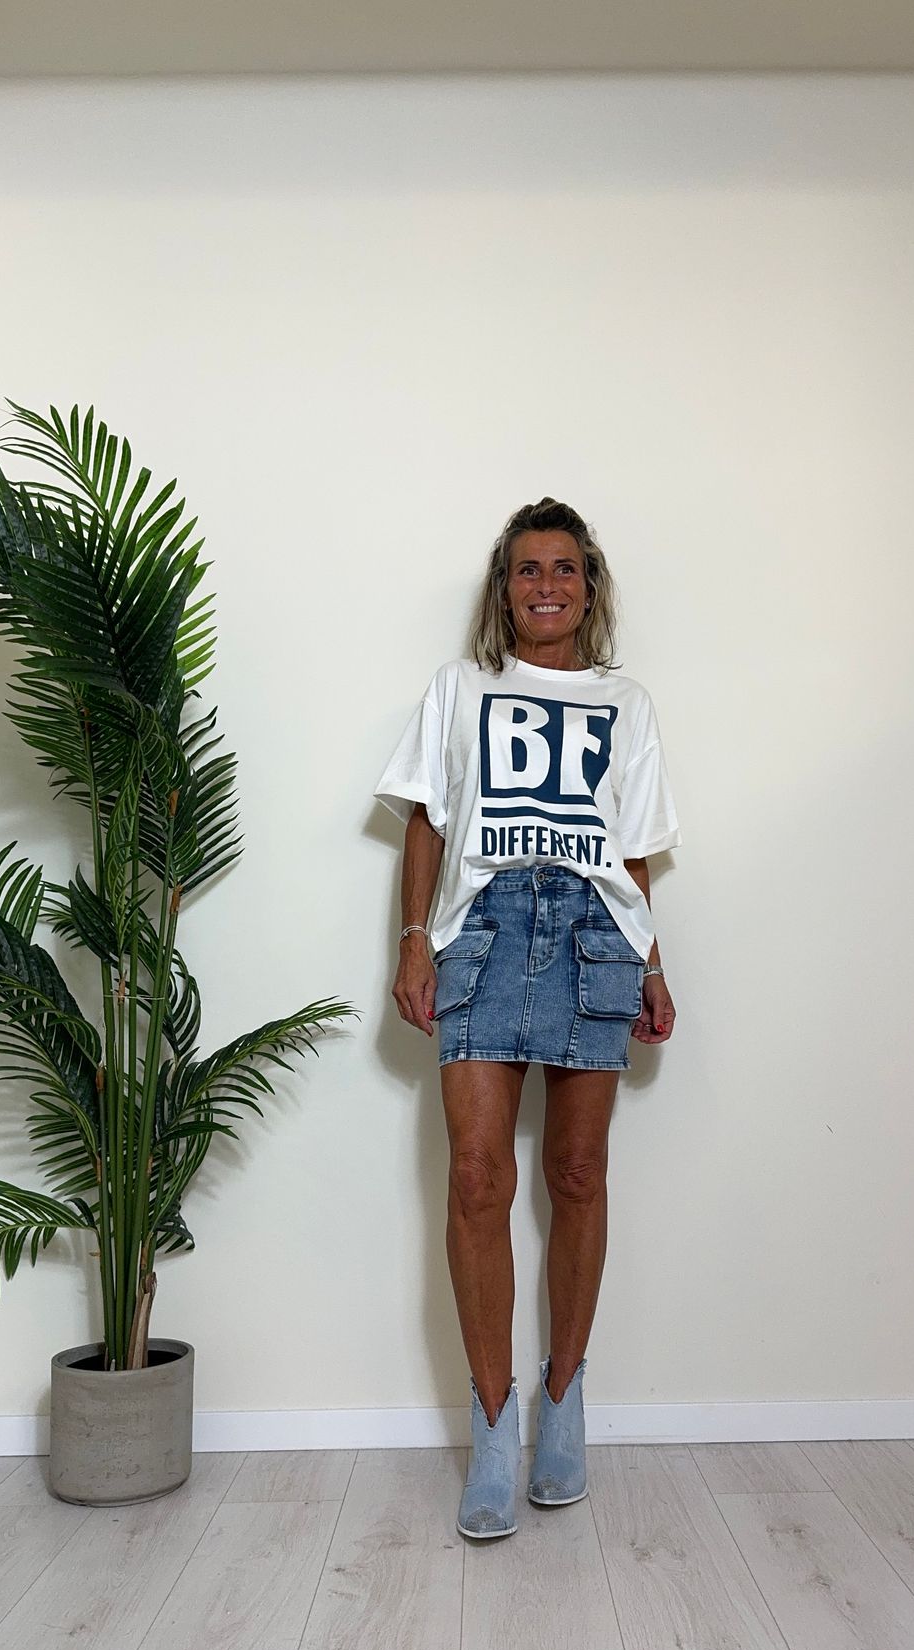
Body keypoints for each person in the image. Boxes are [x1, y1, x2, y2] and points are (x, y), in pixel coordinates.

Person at [373, 496, 682, 1542]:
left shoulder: (625, 703)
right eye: (525, 569)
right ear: (502, 591)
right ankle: (493, 1428)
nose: (545, 585)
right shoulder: (459, 688)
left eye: (563, 568)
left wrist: (653, 961)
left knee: (576, 1173)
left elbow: (629, 847)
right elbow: (427, 819)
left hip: (596, 927)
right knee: (475, 1177)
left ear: (587, 589)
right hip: (486, 927)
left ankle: (563, 1405)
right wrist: (412, 938)